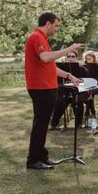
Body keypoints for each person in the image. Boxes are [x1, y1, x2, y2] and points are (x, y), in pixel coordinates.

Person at [24, 12, 83, 170]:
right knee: (40, 124)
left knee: (42, 124)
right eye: (56, 25)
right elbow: (45, 58)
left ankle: (42, 156)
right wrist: (68, 49)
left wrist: (69, 75)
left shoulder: (43, 39)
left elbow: (49, 65)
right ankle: (33, 160)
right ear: (48, 23)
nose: (56, 29)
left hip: (47, 87)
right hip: (40, 88)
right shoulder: (36, 37)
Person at [49, 50, 89, 130]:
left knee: (78, 101)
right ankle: (54, 124)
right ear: (66, 58)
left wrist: (79, 82)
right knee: (59, 101)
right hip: (64, 90)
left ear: (76, 58)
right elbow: (57, 81)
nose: (70, 58)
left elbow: (87, 82)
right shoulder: (61, 68)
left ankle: (78, 124)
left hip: (78, 91)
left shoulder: (82, 69)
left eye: (73, 56)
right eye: (69, 56)